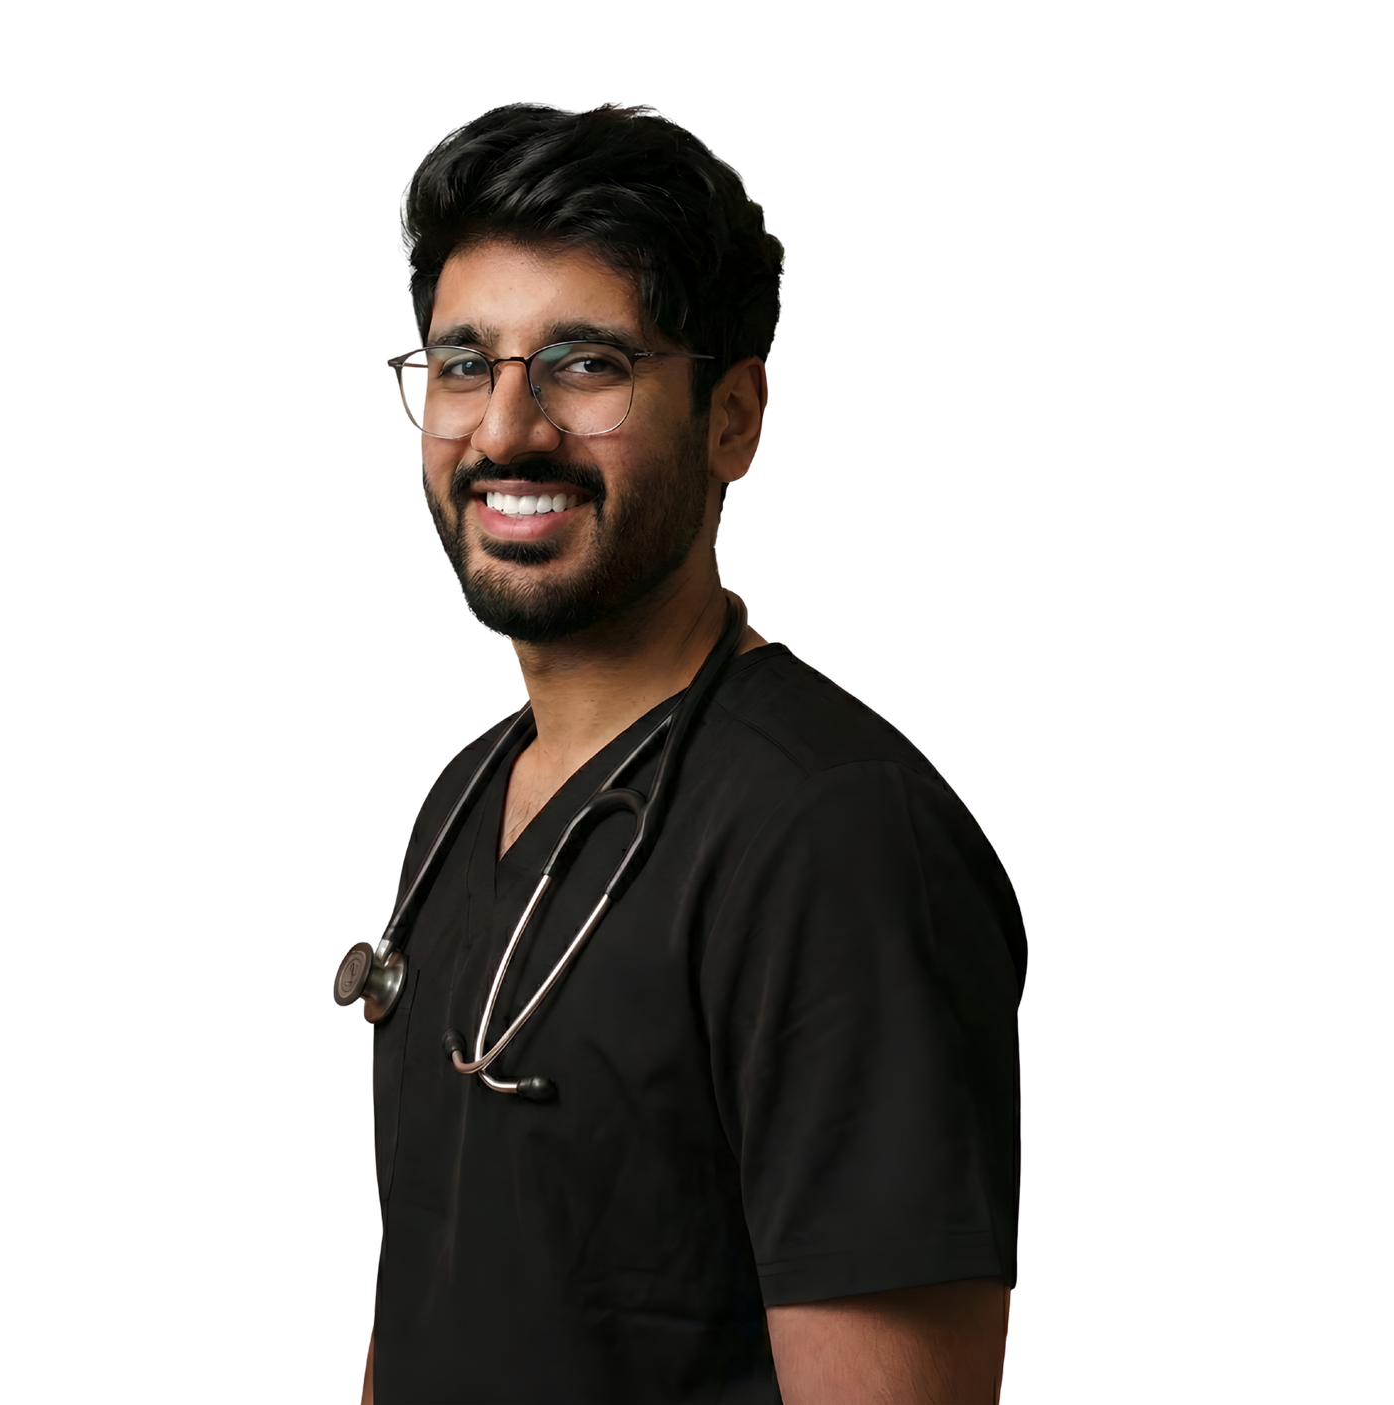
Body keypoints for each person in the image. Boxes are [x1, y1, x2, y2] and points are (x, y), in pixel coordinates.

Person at [363, 103, 1026, 1404]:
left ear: (731, 418)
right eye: (461, 365)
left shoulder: (829, 837)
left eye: (584, 363)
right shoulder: (463, 801)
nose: (505, 432)